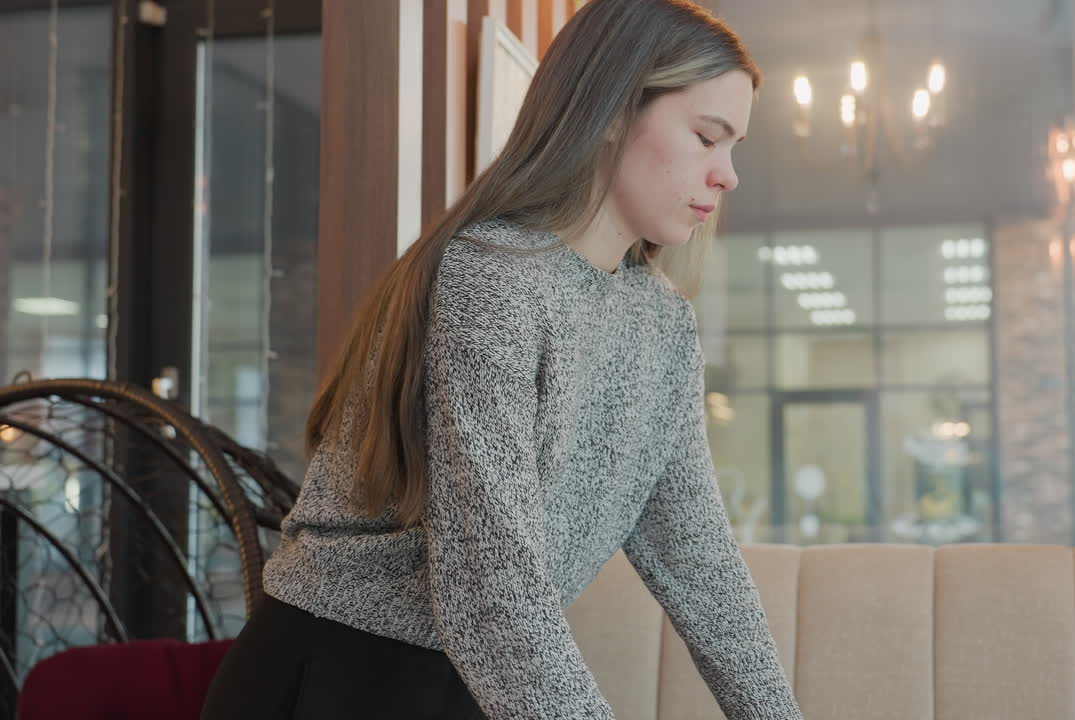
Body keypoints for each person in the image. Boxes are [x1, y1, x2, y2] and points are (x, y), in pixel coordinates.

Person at [201, 0, 804, 717]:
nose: (728, 174)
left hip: (473, 677)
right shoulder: (491, 277)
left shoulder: (663, 323)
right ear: (610, 112)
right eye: (709, 137)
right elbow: (492, 589)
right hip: (342, 673)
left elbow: (698, 559)